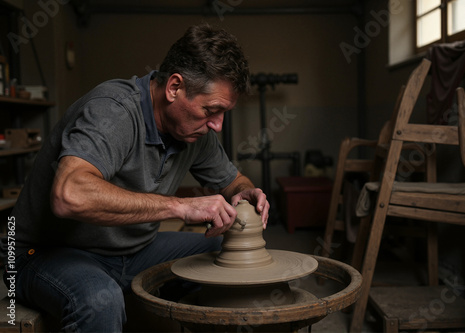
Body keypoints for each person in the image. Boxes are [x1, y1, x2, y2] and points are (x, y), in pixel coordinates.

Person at [0, 23, 269, 332]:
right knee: (100, 299)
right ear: (174, 88)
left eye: (224, 114)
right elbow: (68, 195)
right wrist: (181, 207)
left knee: (227, 255)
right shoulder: (112, 111)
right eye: (212, 110)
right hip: (41, 253)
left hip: (133, 251)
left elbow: (235, 181)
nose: (218, 125)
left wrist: (248, 192)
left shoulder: (196, 132)